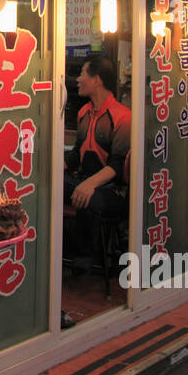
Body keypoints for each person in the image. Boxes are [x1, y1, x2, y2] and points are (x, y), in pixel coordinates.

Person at [64, 54, 131, 271]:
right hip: (83, 181)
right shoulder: (84, 112)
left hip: (112, 191)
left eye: (82, 73)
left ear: (97, 80)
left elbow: (119, 164)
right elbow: (76, 156)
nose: (78, 79)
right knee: (49, 186)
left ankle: (85, 258)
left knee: (88, 198)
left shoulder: (123, 117)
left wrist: (90, 184)